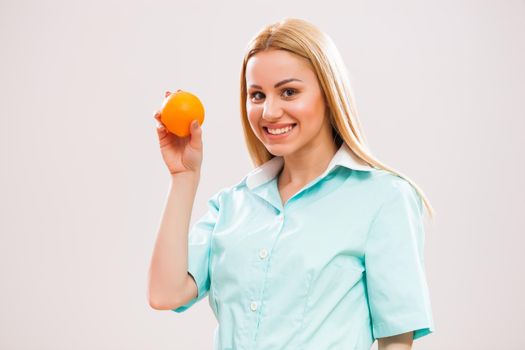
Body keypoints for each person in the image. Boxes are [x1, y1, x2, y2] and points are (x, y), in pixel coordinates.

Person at [148, 17, 435, 350]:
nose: (269, 112)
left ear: (328, 93)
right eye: (257, 95)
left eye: (289, 92)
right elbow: (164, 293)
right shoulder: (232, 206)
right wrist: (184, 177)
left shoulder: (384, 198)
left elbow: (396, 340)